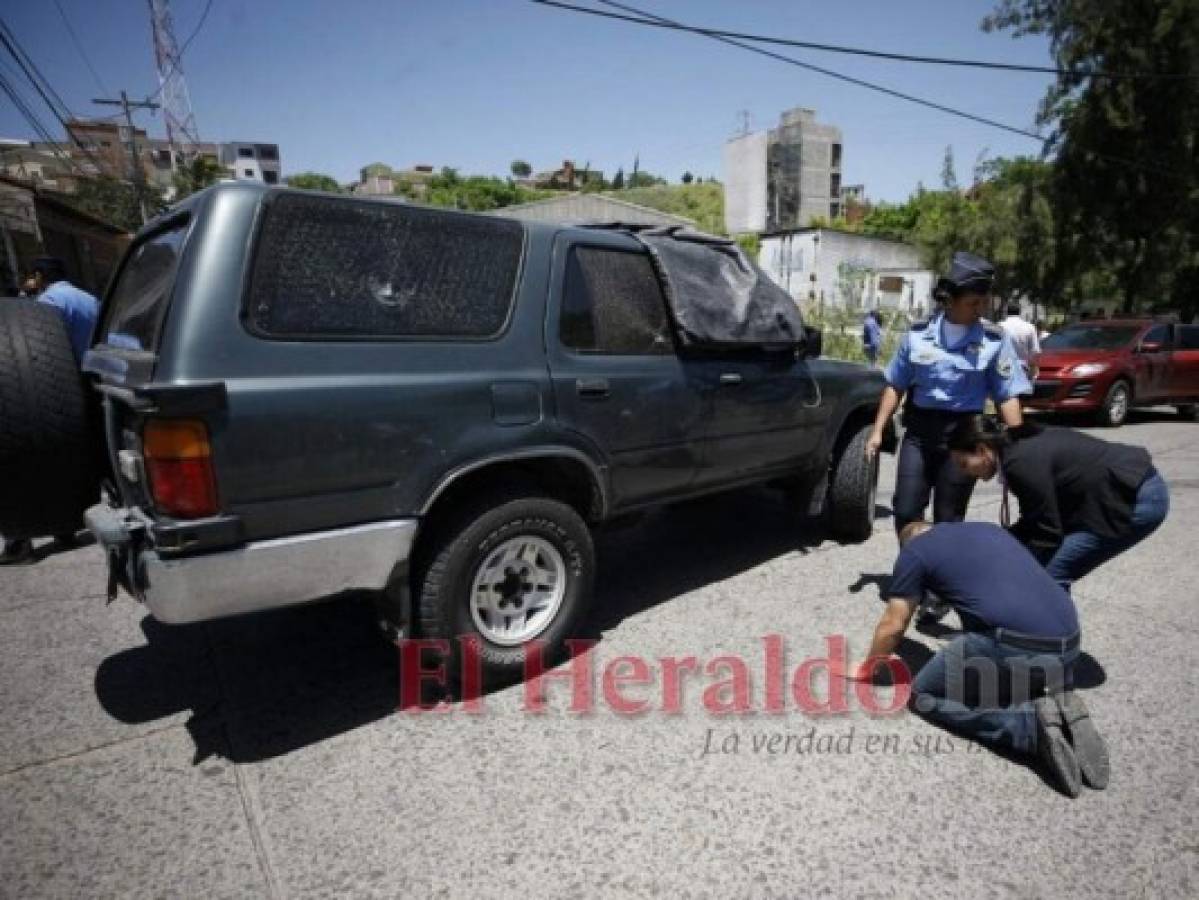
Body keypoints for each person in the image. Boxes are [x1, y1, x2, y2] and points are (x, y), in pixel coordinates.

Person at [848, 520, 1109, 797]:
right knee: (992, 661)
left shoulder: (914, 553)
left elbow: (894, 624)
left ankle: (1028, 728)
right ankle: (1061, 707)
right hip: (1069, 645)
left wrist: (869, 670)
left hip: (1023, 647)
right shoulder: (988, 530)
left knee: (924, 694)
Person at [865, 252, 1031, 537]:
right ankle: (914, 571)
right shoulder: (918, 335)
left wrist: (1020, 449)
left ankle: (941, 577)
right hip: (919, 433)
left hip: (964, 435)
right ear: (950, 300)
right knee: (905, 509)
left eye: (984, 302)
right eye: (973, 303)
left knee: (949, 517)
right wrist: (877, 430)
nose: (980, 309)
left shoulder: (993, 341)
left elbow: (1007, 396)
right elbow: (895, 384)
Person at [947, 416, 1169, 593]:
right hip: (1122, 488)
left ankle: (1055, 647)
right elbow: (1037, 517)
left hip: (1134, 498)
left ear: (982, 450)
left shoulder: (1018, 462)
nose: (965, 472)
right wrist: (1004, 543)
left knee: (1050, 574)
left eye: (964, 463)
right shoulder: (1014, 445)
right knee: (1041, 569)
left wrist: (1008, 567)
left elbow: (1047, 532)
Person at [0, 257, 99, 566]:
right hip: (87, 382)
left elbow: (41, 350)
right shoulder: (87, 298)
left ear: (40, 276)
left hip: (50, 385)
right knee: (69, 453)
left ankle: (19, 542)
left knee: (17, 460)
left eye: (31, 277)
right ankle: (66, 525)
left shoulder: (46, 304)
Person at [1000, 302, 1040, 380]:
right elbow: (1035, 352)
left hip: (1004, 370)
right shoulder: (1029, 327)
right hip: (1023, 370)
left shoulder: (1000, 326)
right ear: (1019, 312)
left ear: (1006, 312)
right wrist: (1033, 370)